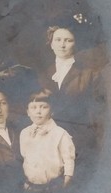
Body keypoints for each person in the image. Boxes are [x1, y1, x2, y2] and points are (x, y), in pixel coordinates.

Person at [40, 19, 106, 165]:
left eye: (68, 40)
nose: (62, 45)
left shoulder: (89, 74)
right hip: (48, 138)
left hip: (79, 138)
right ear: (51, 44)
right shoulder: (44, 74)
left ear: (75, 44)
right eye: (58, 40)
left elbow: (99, 111)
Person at [20, 89, 75, 191]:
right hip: (30, 186)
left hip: (53, 187)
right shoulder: (24, 133)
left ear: (52, 111)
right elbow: (24, 157)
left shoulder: (60, 133)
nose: (38, 111)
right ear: (28, 112)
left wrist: (65, 183)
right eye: (33, 107)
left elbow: (68, 160)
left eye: (44, 107)